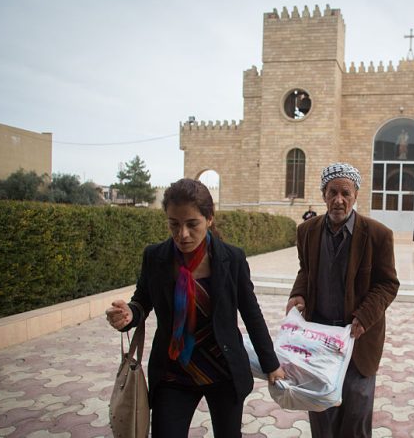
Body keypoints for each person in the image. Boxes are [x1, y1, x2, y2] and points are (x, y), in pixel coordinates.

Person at [105, 178, 285, 438]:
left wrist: (271, 364)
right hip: (174, 371)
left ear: (209, 218)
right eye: (174, 225)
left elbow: (252, 314)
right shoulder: (156, 257)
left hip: (223, 370)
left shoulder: (231, 259)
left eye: (192, 224)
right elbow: (142, 301)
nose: (183, 234)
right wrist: (129, 314)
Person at [285, 163, 399, 438]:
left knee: (356, 417)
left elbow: (388, 283)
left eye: (345, 193)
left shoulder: (377, 235)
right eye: (332, 192)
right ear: (324, 194)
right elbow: (306, 270)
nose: (339, 200)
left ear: (356, 195)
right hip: (319, 340)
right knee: (322, 415)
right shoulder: (307, 232)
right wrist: (297, 294)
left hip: (357, 341)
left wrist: (364, 316)